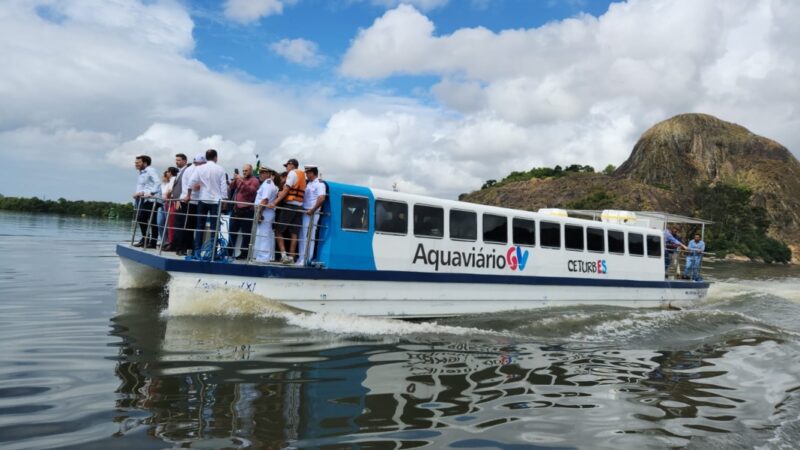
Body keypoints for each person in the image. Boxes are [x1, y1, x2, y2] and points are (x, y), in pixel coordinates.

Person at [189, 149, 228, 256]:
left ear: (206, 157)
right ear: (216, 157)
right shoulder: (220, 169)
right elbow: (223, 186)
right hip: (216, 201)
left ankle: (197, 251)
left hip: (203, 199)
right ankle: (213, 252)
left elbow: (191, 182)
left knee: (199, 226)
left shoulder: (200, 168)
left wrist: (190, 192)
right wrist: (224, 200)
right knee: (215, 227)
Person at [267, 159, 306, 264]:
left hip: (290, 206)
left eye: (287, 166)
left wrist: (274, 203)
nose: (286, 168)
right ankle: (292, 257)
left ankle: (284, 255)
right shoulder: (302, 175)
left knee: (278, 230)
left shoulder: (292, 173)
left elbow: (286, 190)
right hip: (299, 207)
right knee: (294, 233)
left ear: (292, 165)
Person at [227, 164, 261, 259]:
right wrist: (235, 179)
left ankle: (244, 254)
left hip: (247, 211)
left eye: (246, 170)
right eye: (243, 171)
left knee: (246, 234)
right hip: (236, 209)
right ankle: (228, 252)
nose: (244, 172)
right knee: (232, 231)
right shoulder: (240, 179)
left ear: (251, 171)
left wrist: (241, 179)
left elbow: (251, 191)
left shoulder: (255, 180)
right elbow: (231, 187)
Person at [296, 165, 327, 266]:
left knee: (309, 236)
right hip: (305, 212)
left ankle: (306, 259)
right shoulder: (308, 184)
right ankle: (301, 258)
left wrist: (313, 210)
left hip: (312, 213)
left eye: (307, 173)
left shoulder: (320, 184)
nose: (306, 175)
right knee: (302, 236)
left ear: (312, 173)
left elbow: (321, 198)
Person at [132, 155, 160, 248]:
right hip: (143, 199)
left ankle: (152, 242)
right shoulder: (141, 172)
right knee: (141, 219)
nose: (136, 164)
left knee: (151, 221)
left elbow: (157, 182)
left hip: (151, 199)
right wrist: (138, 194)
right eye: (135, 162)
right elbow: (143, 186)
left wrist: (151, 193)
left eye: (138, 162)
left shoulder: (150, 170)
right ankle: (145, 239)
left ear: (145, 163)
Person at [253, 166, 279, 262]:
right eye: (260, 172)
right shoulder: (267, 183)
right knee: (262, 235)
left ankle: (264, 257)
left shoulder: (268, 184)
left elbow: (265, 200)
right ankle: (261, 256)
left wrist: (259, 213)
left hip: (265, 212)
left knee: (264, 235)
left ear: (269, 174)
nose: (261, 174)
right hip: (264, 212)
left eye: (263, 172)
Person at [157, 167, 178, 249]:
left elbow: (169, 192)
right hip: (162, 204)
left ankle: (169, 242)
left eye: (167, 174)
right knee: (160, 223)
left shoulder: (173, 180)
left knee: (169, 224)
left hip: (169, 203)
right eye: (164, 176)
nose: (165, 177)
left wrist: (167, 196)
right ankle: (164, 241)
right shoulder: (162, 185)